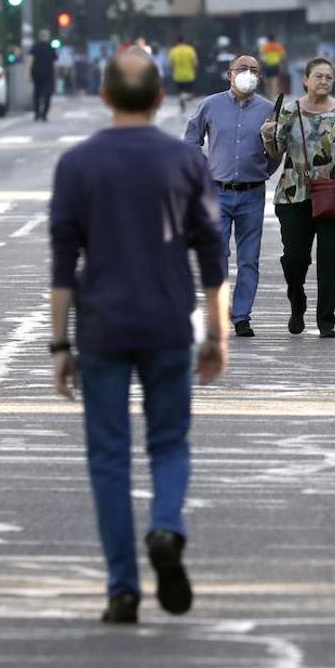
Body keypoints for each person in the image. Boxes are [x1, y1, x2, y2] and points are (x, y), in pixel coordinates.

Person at [49, 48, 228, 625]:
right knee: (169, 443)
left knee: (108, 457)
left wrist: (59, 345)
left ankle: (122, 588)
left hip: (101, 327)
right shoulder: (184, 161)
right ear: (158, 98)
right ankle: (167, 528)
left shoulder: (77, 164)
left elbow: (61, 262)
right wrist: (217, 333)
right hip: (169, 322)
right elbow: (210, 252)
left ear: (104, 96)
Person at [259, 58, 335, 337]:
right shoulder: (289, 112)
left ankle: (326, 320)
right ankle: (297, 301)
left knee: (332, 260)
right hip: (295, 194)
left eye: (329, 77)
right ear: (305, 80)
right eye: (318, 76)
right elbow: (275, 153)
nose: (324, 82)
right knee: (294, 259)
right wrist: (268, 136)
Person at [184, 54, 281, 338]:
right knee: (218, 255)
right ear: (229, 74)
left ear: (260, 77)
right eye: (242, 69)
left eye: (254, 70)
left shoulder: (268, 109)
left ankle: (241, 316)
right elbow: (191, 139)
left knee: (249, 258)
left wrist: (266, 163)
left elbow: (278, 150)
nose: (248, 74)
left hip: (252, 193)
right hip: (217, 191)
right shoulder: (210, 105)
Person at [30, 30, 57, 121]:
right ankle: (44, 114)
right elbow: (54, 63)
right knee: (47, 94)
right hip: (48, 74)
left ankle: (37, 114)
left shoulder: (35, 46)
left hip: (36, 73)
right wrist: (55, 75)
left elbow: (31, 60)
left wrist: (28, 73)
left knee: (37, 94)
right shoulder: (51, 47)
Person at [261, 33, 287, 99]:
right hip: (276, 65)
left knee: (267, 82)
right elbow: (283, 56)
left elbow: (262, 57)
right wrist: (281, 62)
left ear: (268, 39)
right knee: (274, 82)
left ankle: (268, 96)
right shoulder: (279, 46)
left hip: (267, 66)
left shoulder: (265, 47)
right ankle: (273, 97)